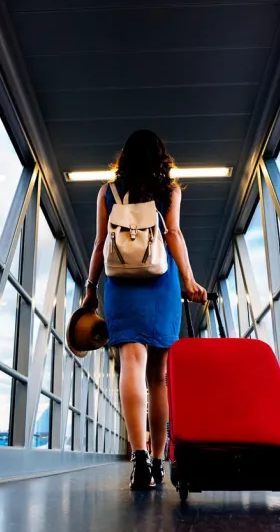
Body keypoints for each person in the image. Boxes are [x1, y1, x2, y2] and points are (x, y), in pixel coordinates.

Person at [81, 129, 207, 490]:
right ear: (160, 157)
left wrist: (91, 289)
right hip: (159, 282)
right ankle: (157, 460)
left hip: (120, 283)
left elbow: (100, 242)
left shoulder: (108, 192)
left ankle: (137, 459)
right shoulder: (170, 191)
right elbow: (174, 235)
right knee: (159, 377)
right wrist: (189, 280)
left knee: (130, 368)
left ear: (125, 157)